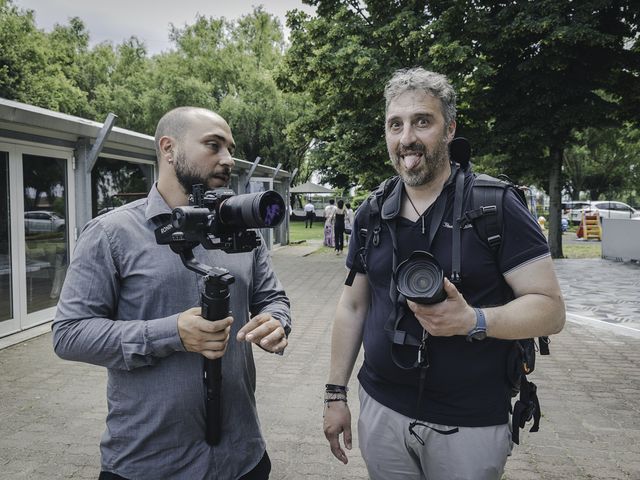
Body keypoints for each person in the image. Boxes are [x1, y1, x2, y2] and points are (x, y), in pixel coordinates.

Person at [322, 68, 565, 480]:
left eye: (422, 121)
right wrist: (335, 394)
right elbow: (354, 304)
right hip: (382, 408)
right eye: (394, 125)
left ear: (449, 129)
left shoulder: (495, 206)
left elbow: (550, 310)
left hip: (469, 421)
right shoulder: (371, 212)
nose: (406, 138)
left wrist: (474, 320)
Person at [52, 106, 291, 480]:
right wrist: (172, 333)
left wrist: (277, 321)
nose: (228, 159)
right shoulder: (110, 234)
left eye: (229, 148)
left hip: (242, 458)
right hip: (148, 461)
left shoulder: (245, 233)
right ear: (168, 148)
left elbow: (272, 298)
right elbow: (69, 334)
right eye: (213, 146)